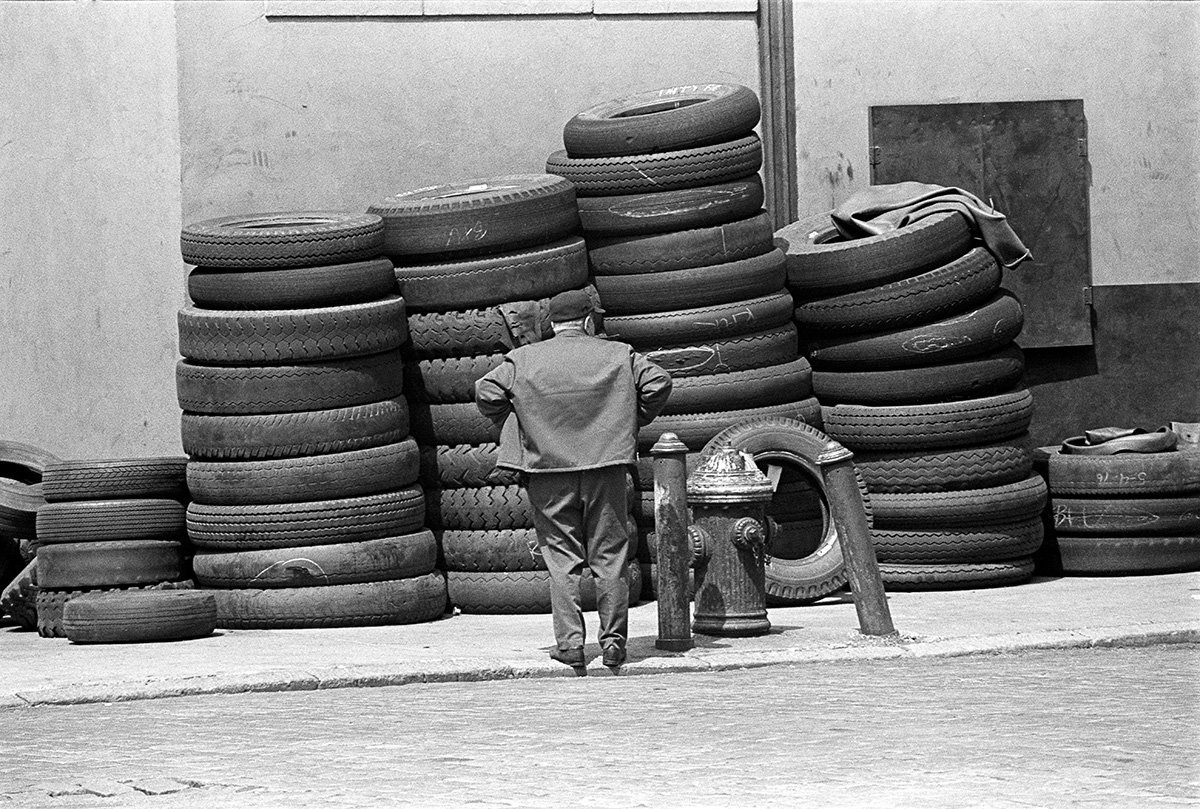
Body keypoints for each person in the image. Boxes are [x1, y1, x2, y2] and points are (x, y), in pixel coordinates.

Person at [474, 289, 672, 672]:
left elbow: (487, 392)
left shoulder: (524, 359)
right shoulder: (620, 354)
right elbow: (659, 383)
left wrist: (519, 422)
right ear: (587, 321)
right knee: (610, 557)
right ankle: (614, 645)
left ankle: (571, 646)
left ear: (551, 324)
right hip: (607, 468)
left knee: (561, 560)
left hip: (548, 473)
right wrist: (629, 420)